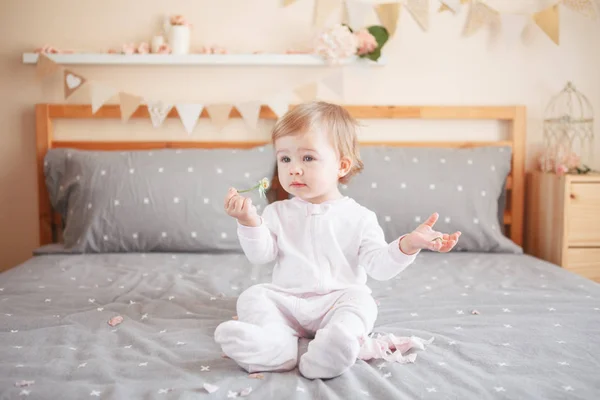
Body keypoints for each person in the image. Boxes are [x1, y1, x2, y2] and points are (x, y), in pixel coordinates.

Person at [214, 101, 461, 380]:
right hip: (288, 301)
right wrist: (249, 223)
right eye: (285, 159)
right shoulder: (275, 212)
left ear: (341, 165)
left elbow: (379, 267)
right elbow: (261, 255)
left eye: (307, 158)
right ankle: (275, 346)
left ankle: (333, 348)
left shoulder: (360, 217)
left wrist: (409, 245)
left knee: (362, 305)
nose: (294, 169)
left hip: (337, 301)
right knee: (254, 296)